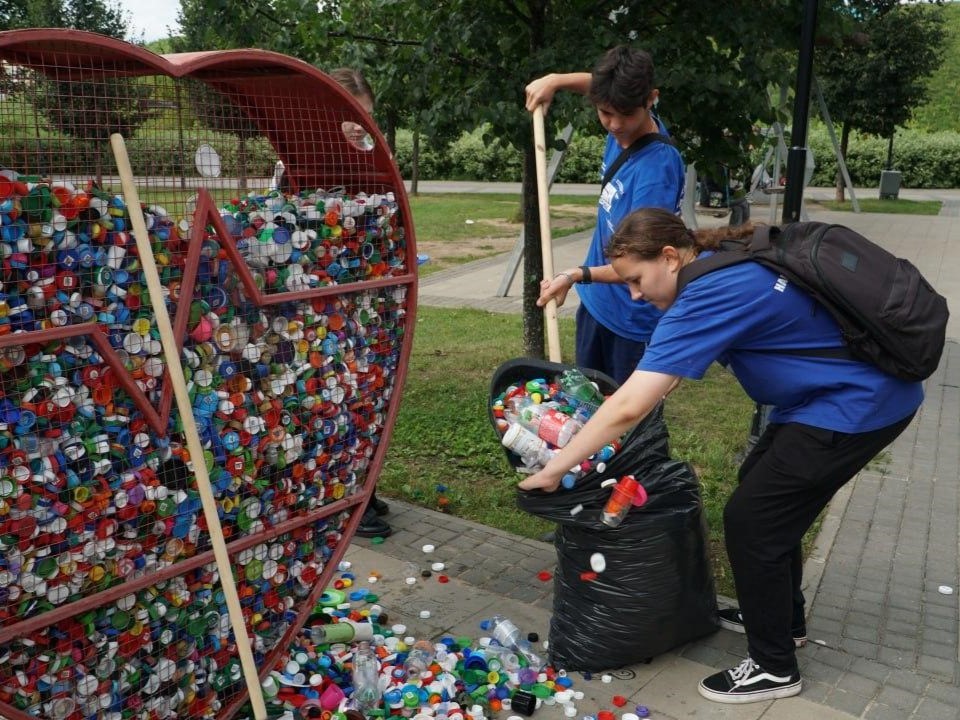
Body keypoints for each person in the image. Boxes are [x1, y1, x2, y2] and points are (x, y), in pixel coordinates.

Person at [522, 208, 922, 703]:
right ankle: (783, 620)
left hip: (857, 405)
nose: (635, 294)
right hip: (827, 398)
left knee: (753, 521)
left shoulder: (708, 297)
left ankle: (775, 666)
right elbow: (635, 266)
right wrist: (579, 274)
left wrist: (554, 468)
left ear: (670, 257)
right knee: (766, 499)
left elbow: (627, 406)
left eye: (637, 282)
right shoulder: (711, 256)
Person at [525, 46, 685, 386]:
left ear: (651, 100)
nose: (614, 125)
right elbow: (597, 86)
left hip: (631, 320)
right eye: (604, 112)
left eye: (625, 115)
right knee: (589, 409)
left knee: (626, 428)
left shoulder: (657, 171)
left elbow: (640, 263)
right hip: (598, 307)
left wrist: (575, 274)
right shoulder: (622, 121)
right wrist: (555, 81)